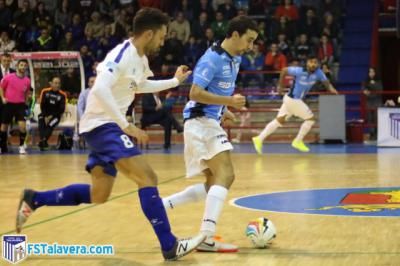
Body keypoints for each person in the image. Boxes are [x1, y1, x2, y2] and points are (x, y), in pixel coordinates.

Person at [16, 8, 205, 261]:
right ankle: (169, 245)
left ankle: (35, 199)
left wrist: (173, 81)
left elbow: (140, 85)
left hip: (103, 127)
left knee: (99, 194)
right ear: (149, 34)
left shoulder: (140, 60)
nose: (163, 41)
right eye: (161, 36)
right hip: (102, 126)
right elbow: (101, 90)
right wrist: (125, 125)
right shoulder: (122, 55)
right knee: (148, 177)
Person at [162, 15, 258, 252]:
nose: (251, 46)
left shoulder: (234, 59)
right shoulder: (212, 58)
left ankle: (162, 206)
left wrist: (223, 110)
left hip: (207, 121)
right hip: (199, 121)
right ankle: (206, 236)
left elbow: (215, 90)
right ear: (235, 34)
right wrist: (229, 101)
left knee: (212, 182)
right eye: (249, 40)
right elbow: (194, 93)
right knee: (226, 175)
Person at [252, 55, 338, 153]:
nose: (313, 64)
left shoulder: (319, 73)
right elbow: (284, 70)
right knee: (311, 119)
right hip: (293, 99)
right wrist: (280, 86)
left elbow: (327, 84)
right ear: (307, 63)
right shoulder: (299, 70)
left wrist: (333, 90)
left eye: (315, 62)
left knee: (279, 121)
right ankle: (297, 141)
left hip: (290, 100)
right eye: (311, 62)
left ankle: (259, 138)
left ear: (318, 64)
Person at [0, 59, 31, 154]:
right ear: (17, 66)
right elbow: (1, 87)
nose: (23, 67)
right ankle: (1, 147)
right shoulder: (8, 77)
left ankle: (21, 147)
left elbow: (27, 92)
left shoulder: (27, 80)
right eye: (21, 65)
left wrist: (25, 102)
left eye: (25, 65)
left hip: (20, 106)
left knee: (22, 127)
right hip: (8, 105)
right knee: (3, 127)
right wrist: (3, 98)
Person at [38, 76, 68, 151]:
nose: (57, 85)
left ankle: (42, 141)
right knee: (41, 120)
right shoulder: (45, 91)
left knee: (50, 125)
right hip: (45, 114)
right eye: (55, 83)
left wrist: (51, 116)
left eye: (58, 83)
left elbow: (61, 109)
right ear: (51, 83)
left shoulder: (62, 95)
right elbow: (42, 105)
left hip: (56, 116)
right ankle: (44, 141)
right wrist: (45, 116)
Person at [0, 53, 15, 130]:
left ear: (10, 61)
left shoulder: (14, 72)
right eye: (4, 61)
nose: (6, 63)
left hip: (9, 101)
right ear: (1, 60)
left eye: (8, 61)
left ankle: (5, 140)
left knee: (6, 123)